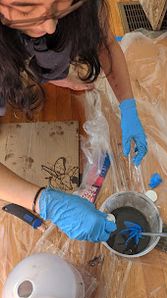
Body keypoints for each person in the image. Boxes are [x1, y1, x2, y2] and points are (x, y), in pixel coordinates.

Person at [0, 0, 147, 241]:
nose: (50, 26)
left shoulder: (80, 9)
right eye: (27, 10)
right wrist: (42, 201)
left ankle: (48, 74)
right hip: (10, 60)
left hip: (33, 61)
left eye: (61, 6)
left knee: (65, 64)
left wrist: (128, 107)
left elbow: (106, 43)